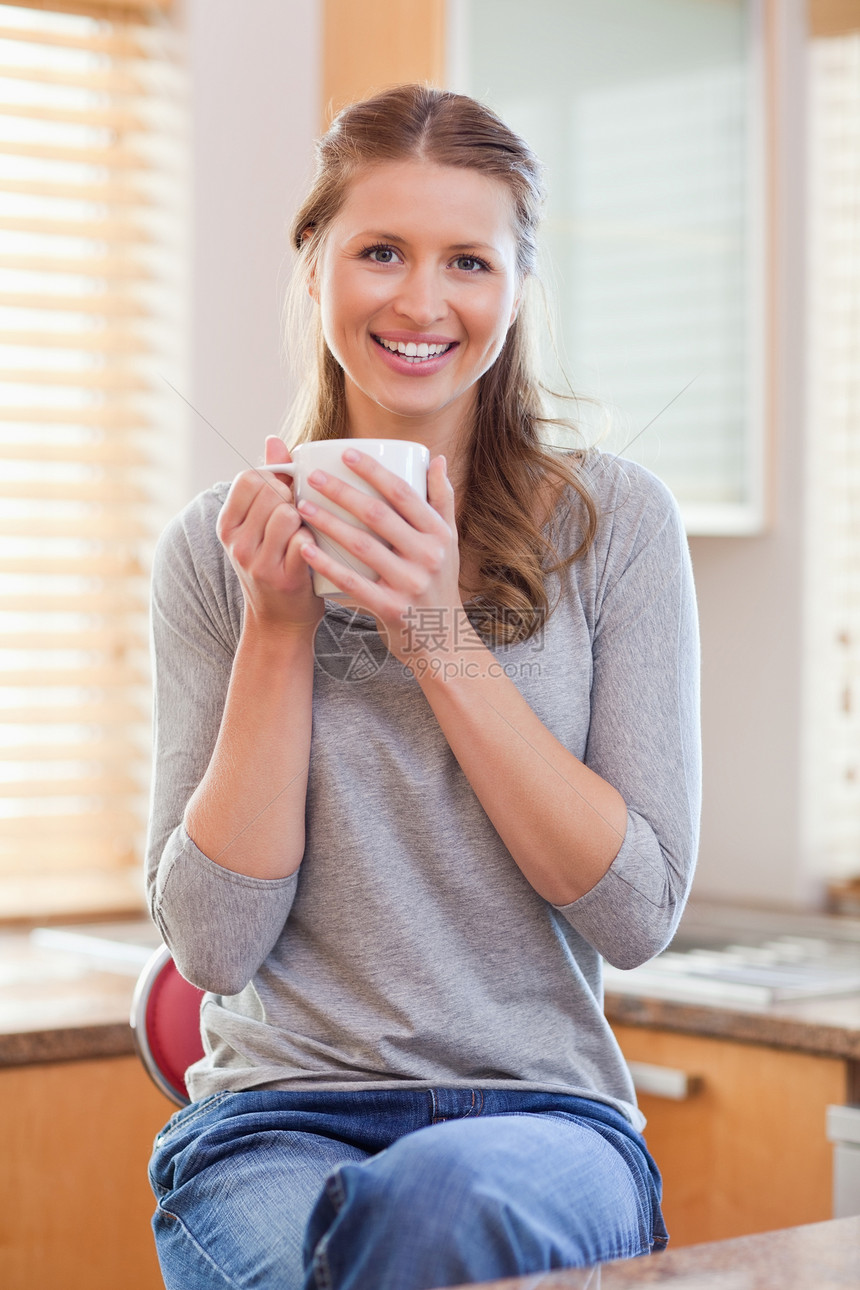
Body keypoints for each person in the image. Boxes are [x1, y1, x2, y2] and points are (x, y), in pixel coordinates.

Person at [146, 84, 701, 1290]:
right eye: (379, 251)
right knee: (357, 1238)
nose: (419, 300)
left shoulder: (613, 529)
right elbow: (214, 946)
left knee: (427, 1211)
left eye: (468, 261)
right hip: (275, 1124)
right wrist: (278, 633)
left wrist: (435, 633)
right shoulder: (216, 551)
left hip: (546, 1123)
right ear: (314, 267)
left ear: (514, 288)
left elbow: (636, 912)